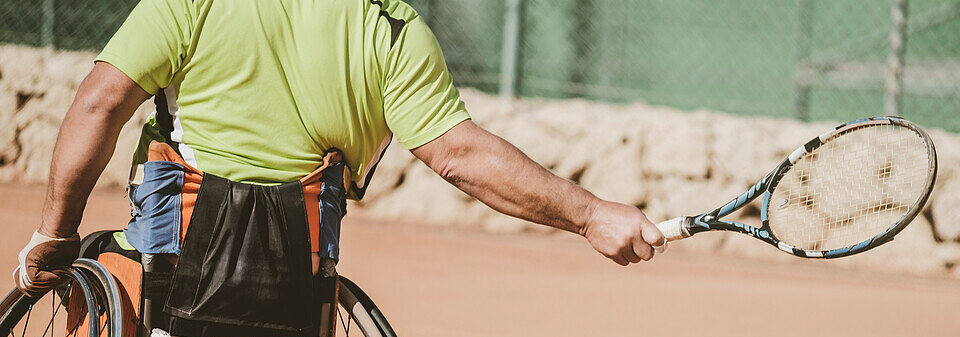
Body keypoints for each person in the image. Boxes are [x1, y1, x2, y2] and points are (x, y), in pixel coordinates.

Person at [15, 0, 665, 298]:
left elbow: (99, 101)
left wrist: (55, 233)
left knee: (97, 262)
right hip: (293, 285)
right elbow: (460, 155)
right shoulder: (392, 29)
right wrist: (590, 213)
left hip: (174, 266)